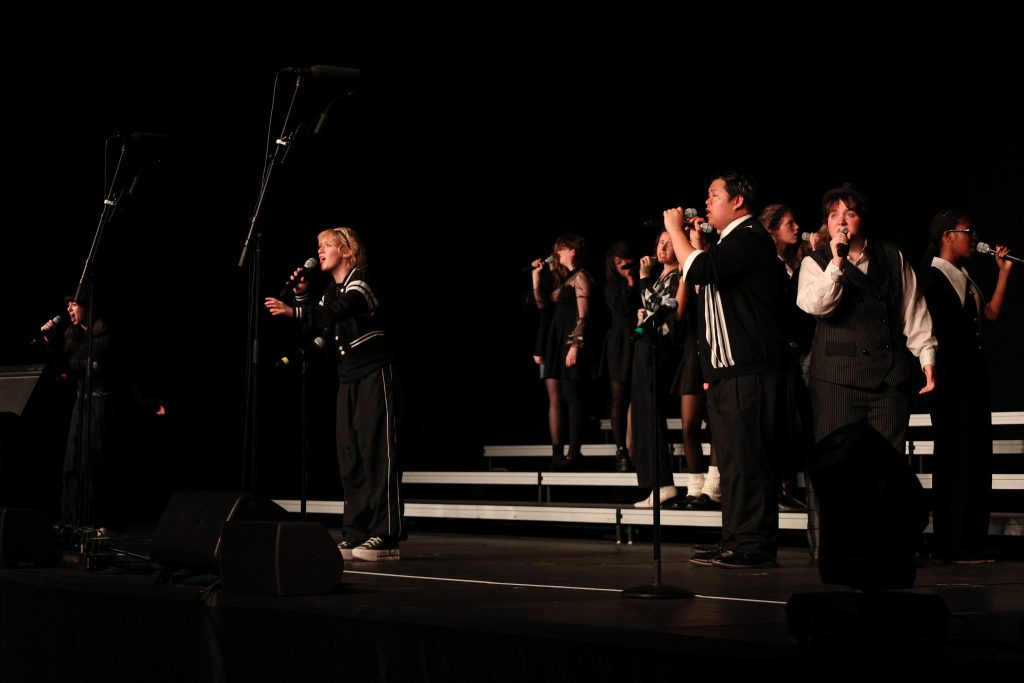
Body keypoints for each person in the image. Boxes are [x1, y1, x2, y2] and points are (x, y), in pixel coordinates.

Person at [665, 171, 787, 568]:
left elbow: (698, 270)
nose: (706, 202)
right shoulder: (727, 244)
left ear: (737, 201)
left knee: (750, 459)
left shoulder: (750, 236)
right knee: (732, 463)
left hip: (750, 369)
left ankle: (755, 542)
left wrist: (674, 231)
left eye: (713, 194)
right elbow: (706, 290)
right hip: (724, 371)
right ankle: (735, 537)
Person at [265, 226, 405, 561]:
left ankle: (386, 536)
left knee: (377, 451)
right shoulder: (331, 290)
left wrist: (294, 309)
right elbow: (321, 327)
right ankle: (355, 532)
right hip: (348, 378)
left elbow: (338, 312)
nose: (320, 250)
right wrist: (300, 296)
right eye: (318, 245)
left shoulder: (361, 282)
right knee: (349, 454)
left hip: (374, 373)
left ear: (346, 249)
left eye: (326, 244)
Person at [796, 183, 936, 457]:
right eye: (834, 215)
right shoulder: (816, 261)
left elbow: (913, 309)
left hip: (888, 380)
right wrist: (836, 264)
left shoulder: (891, 256)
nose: (841, 221)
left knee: (886, 468)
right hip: (836, 382)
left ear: (862, 219)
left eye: (849, 214)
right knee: (837, 466)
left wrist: (927, 358)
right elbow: (816, 306)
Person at [921, 209, 1013, 563]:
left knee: (976, 457)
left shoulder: (964, 276)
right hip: (951, 381)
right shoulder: (932, 278)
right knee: (955, 459)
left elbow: (989, 314)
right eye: (968, 231)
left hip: (973, 378)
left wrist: (1003, 274)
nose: (974, 238)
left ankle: (971, 540)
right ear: (947, 235)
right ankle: (951, 543)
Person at [41, 294, 166, 538]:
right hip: (82, 404)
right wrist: (48, 341)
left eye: (74, 304)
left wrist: (147, 403)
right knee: (72, 463)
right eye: (67, 304)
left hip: (103, 404)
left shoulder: (108, 338)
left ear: (88, 306)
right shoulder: (71, 335)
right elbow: (63, 372)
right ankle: (71, 521)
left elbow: (127, 373)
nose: (69, 309)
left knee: (100, 464)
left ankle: (106, 522)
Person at [630, 231, 685, 508]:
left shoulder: (679, 276)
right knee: (643, 413)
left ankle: (663, 482)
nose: (663, 246)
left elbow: (662, 311)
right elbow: (649, 310)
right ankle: (657, 482)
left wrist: (642, 279)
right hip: (646, 346)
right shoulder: (661, 277)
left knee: (650, 413)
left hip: (659, 349)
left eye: (670, 242)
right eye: (660, 242)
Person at [530, 234, 592, 471]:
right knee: (562, 394)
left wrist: (575, 345)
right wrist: (536, 279)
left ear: (572, 251)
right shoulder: (565, 278)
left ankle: (574, 451)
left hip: (569, 342)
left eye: (562, 249)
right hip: (556, 342)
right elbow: (543, 305)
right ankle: (559, 453)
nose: (557, 253)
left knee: (572, 396)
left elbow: (583, 315)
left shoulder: (581, 277)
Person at [599, 241, 639, 473]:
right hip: (619, 343)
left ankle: (634, 447)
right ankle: (620, 450)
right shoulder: (611, 286)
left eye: (624, 260)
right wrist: (629, 283)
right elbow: (620, 309)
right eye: (616, 262)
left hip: (637, 338)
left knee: (637, 397)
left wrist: (635, 280)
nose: (622, 265)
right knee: (618, 398)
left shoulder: (642, 276)